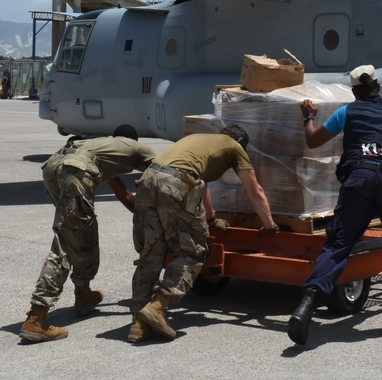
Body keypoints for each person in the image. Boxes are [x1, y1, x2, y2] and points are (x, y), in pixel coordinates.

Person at [287, 65, 382, 346]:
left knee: (338, 244)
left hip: (358, 182)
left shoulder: (345, 113)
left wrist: (309, 117)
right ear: (377, 85)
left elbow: (313, 140)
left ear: (354, 92)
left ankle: (306, 307)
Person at [129, 125, 278, 343]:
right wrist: (269, 225)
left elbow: (201, 184)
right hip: (176, 183)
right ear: (241, 143)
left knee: (152, 250)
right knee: (193, 252)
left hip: (148, 178)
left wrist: (211, 219)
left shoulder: (201, 140)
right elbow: (254, 190)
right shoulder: (235, 147)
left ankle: (139, 324)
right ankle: (157, 306)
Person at [20, 125, 156, 343]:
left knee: (83, 234)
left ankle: (83, 293)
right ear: (133, 140)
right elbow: (163, 175)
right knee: (67, 241)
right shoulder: (139, 147)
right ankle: (36, 317)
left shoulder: (103, 148)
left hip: (54, 165)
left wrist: (139, 212)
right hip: (76, 169)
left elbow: (122, 193)